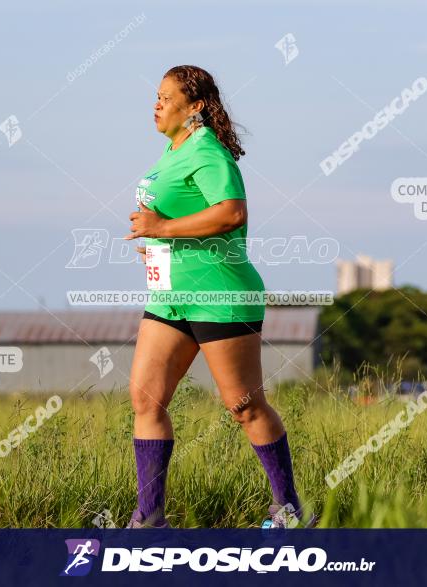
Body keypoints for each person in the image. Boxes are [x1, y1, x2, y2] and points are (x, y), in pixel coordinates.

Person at [123, 65, 317, 529]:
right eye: (156, 95)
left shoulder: (208, 153)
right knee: (146, 400)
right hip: (170, 297)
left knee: (243, 406)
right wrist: (159, 244)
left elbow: (231, 212)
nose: (156, 104)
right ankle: (149, 521)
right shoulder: (171, 153)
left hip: (219, 293)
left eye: (166, 97)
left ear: (196, 108)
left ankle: (289, 511)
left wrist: (162, 228)